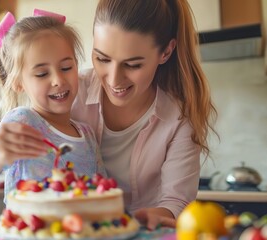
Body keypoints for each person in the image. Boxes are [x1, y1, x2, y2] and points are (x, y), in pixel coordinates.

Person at [70, 0, 218, 229]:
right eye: (102, 59)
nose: (113, 79)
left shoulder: (179, 116)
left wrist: (154, 218)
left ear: (166, 52)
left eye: (132, 65)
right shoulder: (71, 95)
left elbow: (176, 202)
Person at [0, 11, 106, 205]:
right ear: (18, 83)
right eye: (42, 74)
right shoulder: (23, 122)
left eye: (66, 68)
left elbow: (103, 193)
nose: (58, 80)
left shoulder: (88, 134)